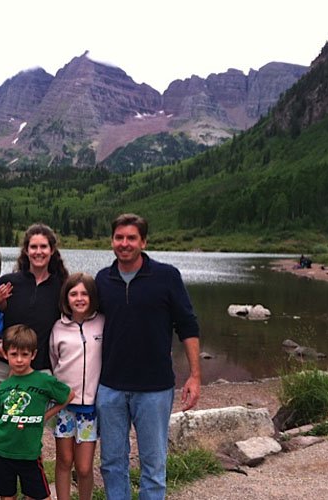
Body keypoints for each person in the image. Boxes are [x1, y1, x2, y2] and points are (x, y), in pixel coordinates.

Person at [95, 213, 201, 500]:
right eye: (119, 237)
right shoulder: (103, 279)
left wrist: (194, 375)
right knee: (111, 464)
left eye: (131, 238)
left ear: (143, 241)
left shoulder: (167, 276)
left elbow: (188, 325)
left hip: (155, 388)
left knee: (153, 466)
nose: (124, 243)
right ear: (112, 241)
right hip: (110, 387)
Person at [0, 223, 69, 500]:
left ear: (51, 250)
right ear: (26, 250)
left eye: (43, 247)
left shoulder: (61, 286)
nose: (38, 251)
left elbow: (82, 314)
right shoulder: (8, 283)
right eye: (33, 246)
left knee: (28, 442)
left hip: (34, 373)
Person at [0, 325, 74, 500]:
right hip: (3, 455)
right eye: (14, 354)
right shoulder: (4, 387)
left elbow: (68, 395)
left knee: (41, 495)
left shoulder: (44, 381)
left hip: (30, 456)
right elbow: (3, 421)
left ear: (33, 355)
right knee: (6, 496)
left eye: (25, 355)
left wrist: (47, 415)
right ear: (5, 354)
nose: (19, 360)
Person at [49, 272, 104, 500]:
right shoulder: (58, 327)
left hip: (90, 407)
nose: (79, 298)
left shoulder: (102, 322)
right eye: (73, 294)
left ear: (92, 296)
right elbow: (54, 361)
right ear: (66, 297)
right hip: (63, 406)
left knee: (83, 466)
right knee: (64, 460)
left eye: (84, 293)